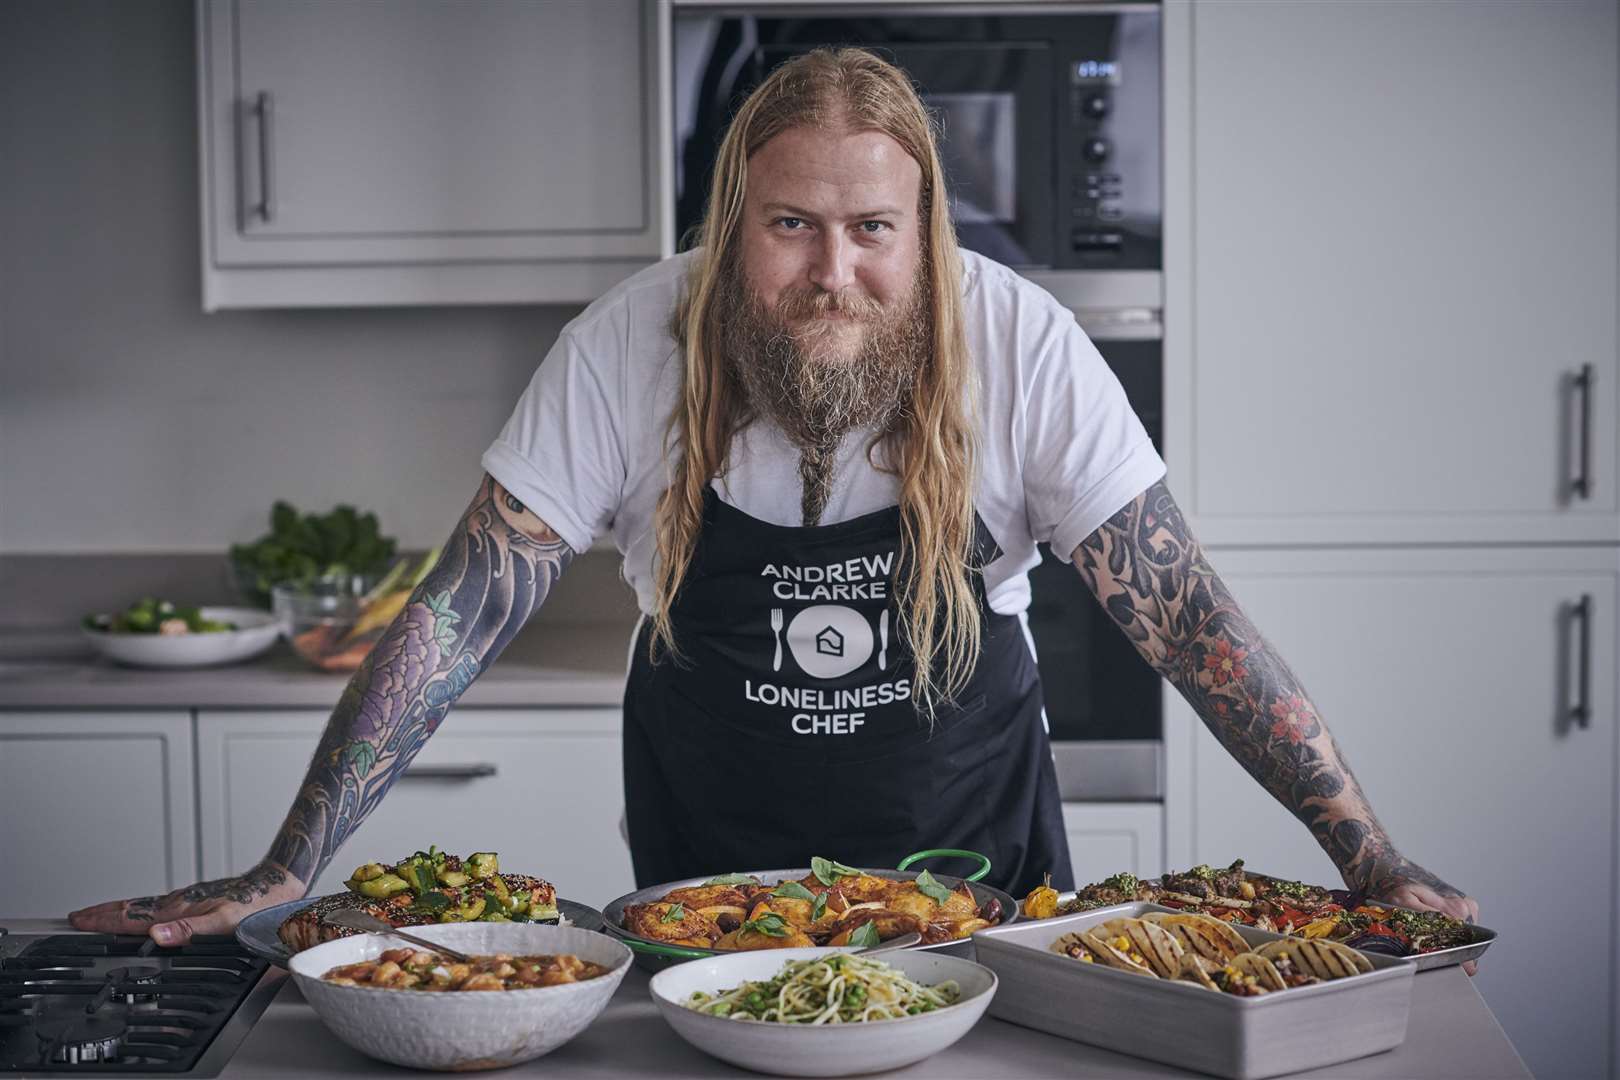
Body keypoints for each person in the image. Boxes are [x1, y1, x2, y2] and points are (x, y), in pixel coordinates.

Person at [71, 48, 1478, 960]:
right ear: (734, 218)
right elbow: (460, 613)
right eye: (791, 225)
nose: (833, 274)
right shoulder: (631, 342)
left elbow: (1190, 623)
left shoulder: (1022, 344)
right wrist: (291, 858)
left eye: (874, 232)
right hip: (710, 897)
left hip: (978, 882)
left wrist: (1367, 854)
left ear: (921, 233)